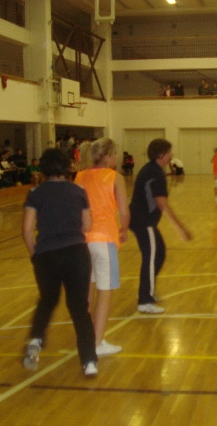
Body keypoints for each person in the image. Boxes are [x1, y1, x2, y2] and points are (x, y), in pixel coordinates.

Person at [22, 148, 98, 377]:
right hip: (76, 253)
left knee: (47, 300)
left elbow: (27, 230)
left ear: (43, 168)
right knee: (79, 309)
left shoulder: (35, 193)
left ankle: (36, 339)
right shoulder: (78, 191)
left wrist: (35, 255)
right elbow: (87, 225)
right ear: (66, 167)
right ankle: (89, 361)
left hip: (47, 255)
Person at [75, 138, 130, 357]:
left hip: (82, 239)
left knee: (87, 291)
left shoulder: (80, 176)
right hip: (104, 238)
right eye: (115, 154)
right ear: (108, 156)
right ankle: (96, 344)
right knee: (105, 291)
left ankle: (85, 338)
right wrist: (124, 229)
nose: (117, 157)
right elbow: (124, 211)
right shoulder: (115, 177)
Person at [129, 138, 192, 314]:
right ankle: (144, 300)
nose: (171, 155)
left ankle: (146, 291)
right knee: (151, 258)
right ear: (161, 154)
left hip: (142, 221)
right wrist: (180, 228)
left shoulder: (153, 169)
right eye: (169, 152)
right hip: (143, 222)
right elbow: (162, 203)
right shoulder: (155, 173)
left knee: (159, 253)